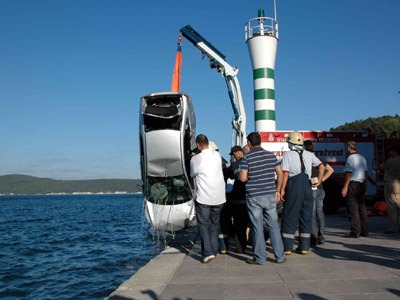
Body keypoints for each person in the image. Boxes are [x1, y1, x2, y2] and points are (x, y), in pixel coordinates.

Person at [239, 132, 286, 265]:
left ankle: (260, 258)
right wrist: (278, 190)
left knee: (257, 226)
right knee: (273, 226)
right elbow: (280, 173)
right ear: (260, 141)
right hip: (270, 194)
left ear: (249, 143)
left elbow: (243, 178)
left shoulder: (247, 158)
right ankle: (280, 256)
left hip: (254, 196)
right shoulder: (270, 155)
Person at [280, 131, 324, 255]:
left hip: (294, 187)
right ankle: (304, 247)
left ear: (291, 143)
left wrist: (282, 190)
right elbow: (321, 166)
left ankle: (287, 247)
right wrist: (319, 180)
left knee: (290, 216)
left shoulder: (287, 155)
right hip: (307, 188)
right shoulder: (309, 154)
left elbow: (285, 173)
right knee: (306, 217)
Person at [190, 134, 226, 263]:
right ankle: (214, 250)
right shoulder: (217, 156)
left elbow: (192, 174)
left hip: (204, 197)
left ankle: (207, 253)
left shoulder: (196, 159)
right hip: (220, 196)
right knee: (214, 224)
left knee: (203, 225)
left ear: (198, 145)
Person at [304, 140, 334, 246]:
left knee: (311, 214)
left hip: (311, 189)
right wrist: (321, 181)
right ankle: (322, 237)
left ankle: (314, 237)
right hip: (320, 189)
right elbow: (330, 170)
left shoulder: (306, 159)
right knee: (320, 213)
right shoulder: (319, 159)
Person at [341, 140, 369, 238]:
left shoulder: (350, 158)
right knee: (362, 208)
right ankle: (365, 231)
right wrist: (365, 184)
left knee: (353, 208)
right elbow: (366, 173)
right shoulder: (362, 158)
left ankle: (355, 231)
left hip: (353, 184)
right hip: (361, 183)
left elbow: (349, 173)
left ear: (349, 148)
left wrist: (345, 187)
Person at [224, 145, 249, 254]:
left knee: (239, 224)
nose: (234, 156)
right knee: (252, 224)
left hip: (238, 199)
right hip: (250, 198)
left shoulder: (235, 165)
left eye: (234, 154)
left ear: (238, 152)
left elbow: (227, 175)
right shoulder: (250, 161)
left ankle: (240, 249)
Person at [378, 148, 400, 233]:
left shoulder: (391, 161)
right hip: (398, 183)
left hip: (391, 183)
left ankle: (394, 227)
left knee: (392, 206)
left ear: (394, 152)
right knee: (398, 204)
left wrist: (381, 159)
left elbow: (381, 166)